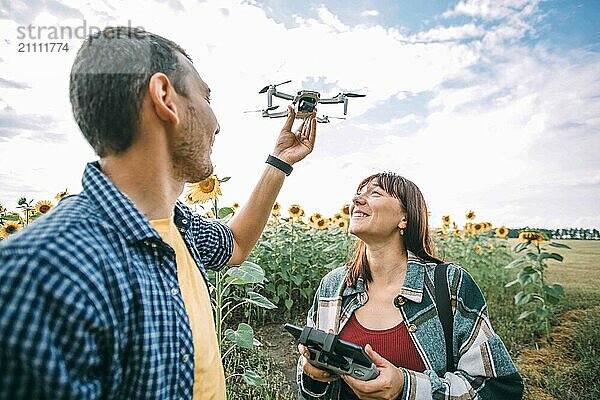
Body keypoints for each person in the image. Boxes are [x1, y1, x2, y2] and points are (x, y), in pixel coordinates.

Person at [0, 27, 317, 399]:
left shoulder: (179, 226)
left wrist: (280, 160)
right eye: (205, 96)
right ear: (165, 97)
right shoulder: (45, 272)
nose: (217, 123)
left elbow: (236, 244)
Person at [297, 172, 524, 400]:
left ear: (404, 218)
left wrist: (406, 387)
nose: (356, 201)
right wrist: (313, 376)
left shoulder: (449, 285)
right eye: (357, 195)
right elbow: (310, 383)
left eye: (375, 193)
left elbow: (497, 388)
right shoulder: (334, 285)